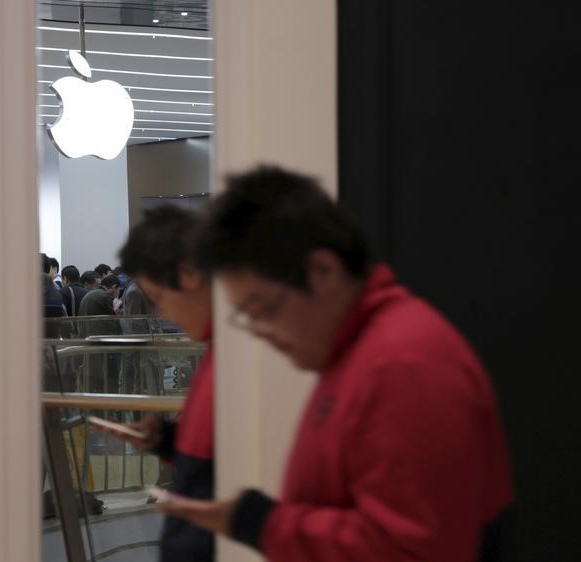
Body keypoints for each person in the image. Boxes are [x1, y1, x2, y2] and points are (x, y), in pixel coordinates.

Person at [158, 166, 513, 562]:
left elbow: (410, 548)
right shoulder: (358, 354)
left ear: (323, 271)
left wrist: (265, 524)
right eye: (245, 315)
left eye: (262, 308)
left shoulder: (402, 366)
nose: (258, 331)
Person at [103, 205, 215, 562]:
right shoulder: (218, 351)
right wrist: (167, 439)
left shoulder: (244, 356)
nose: (164, 315)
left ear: (189, 277)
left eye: (162, 298)